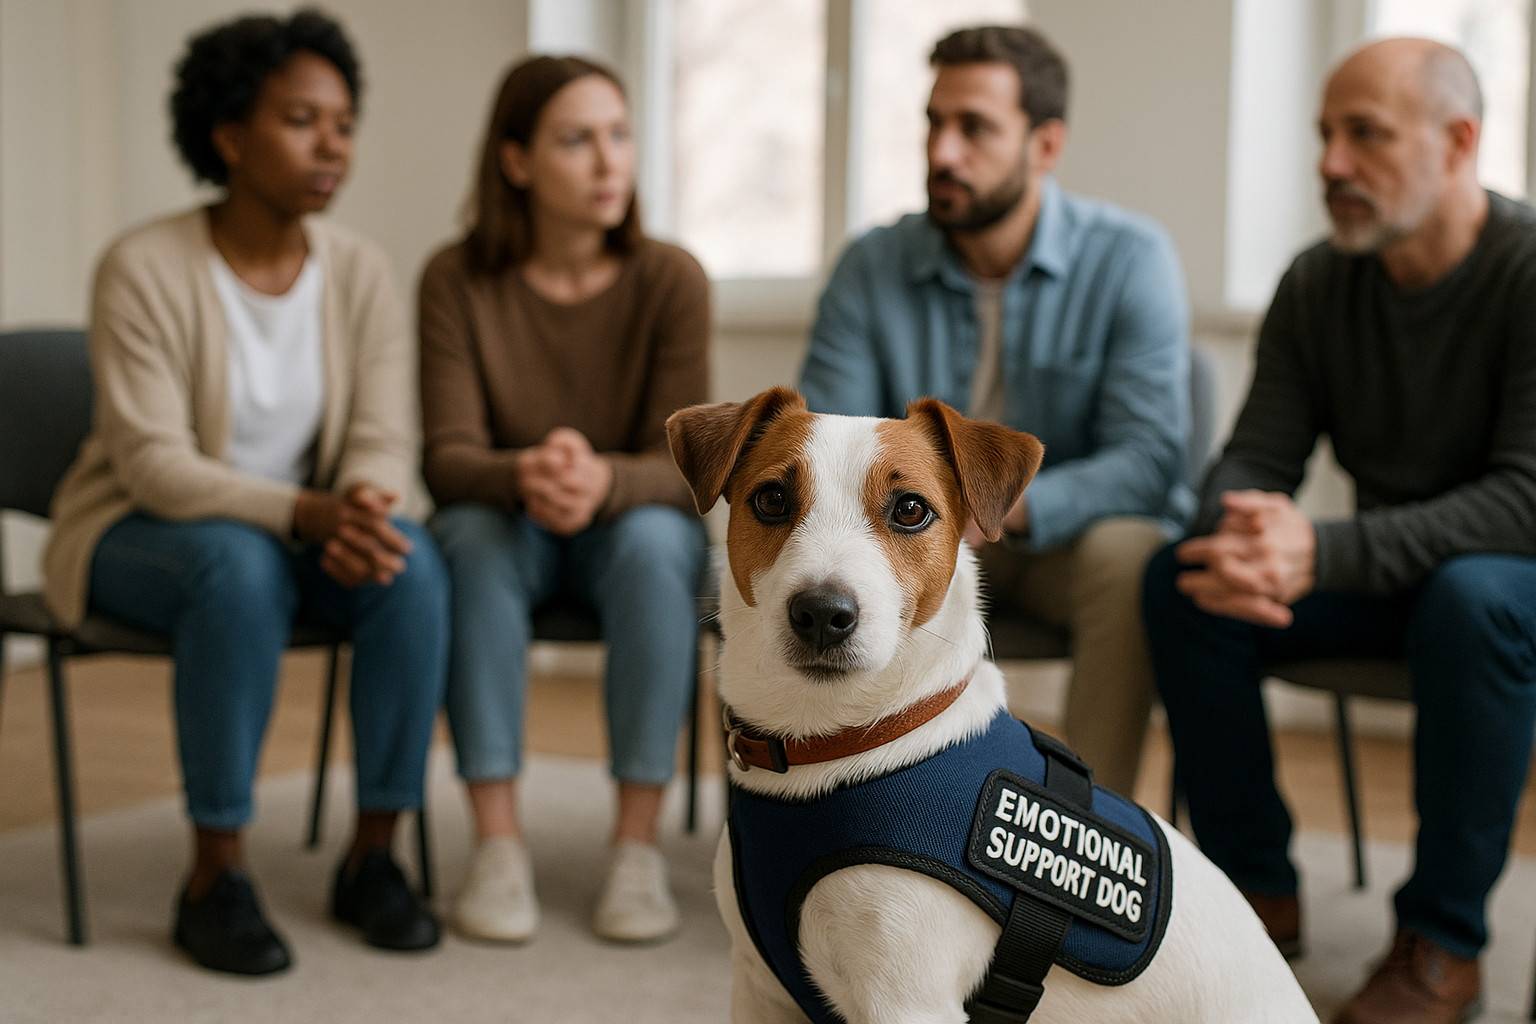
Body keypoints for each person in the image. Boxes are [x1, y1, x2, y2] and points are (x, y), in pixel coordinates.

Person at [41, 10, 447, 976]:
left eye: (343, 124)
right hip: (141, 533)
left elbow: (383, 437)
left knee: (414, 565)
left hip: (305, 534)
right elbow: (155, 464)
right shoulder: (143, 266)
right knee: (236, 567)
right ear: (228, 135)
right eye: (301, 121)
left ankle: (374, 857)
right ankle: (214, 875)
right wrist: (306, 514)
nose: (332, 145)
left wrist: (363, 510)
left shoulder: (359, 272)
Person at [1144, 38, 1536, 1024]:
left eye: (1366, 134)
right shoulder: (1320, 282)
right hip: (1394, 581)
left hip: (1506, 590)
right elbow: (1255, 454)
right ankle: (1251, 898)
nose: (1331, 163)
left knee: (1472, 597)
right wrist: (1237, 531)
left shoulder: (1526, 272)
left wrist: (1321, 550)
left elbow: (1525, 498)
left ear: (1459, 142)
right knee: (1181, 577)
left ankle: (1443, 943)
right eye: (1325, 135)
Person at [798, 25, 1192, 797]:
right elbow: (828, 437)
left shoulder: (1129, 259)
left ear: (1045, 145)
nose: (942, 152)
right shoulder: (871, 264)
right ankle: (857, 806)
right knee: (819, 550)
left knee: (1134, 556)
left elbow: (1149, 459)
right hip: (904, 532)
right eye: (934, 123)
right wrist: (921, 514)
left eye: (973, 127)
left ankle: (1089, 818)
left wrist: (1002, 503)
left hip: (1055, 544)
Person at [418, 54, 710, 946]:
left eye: (619, 135)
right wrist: (529, 474)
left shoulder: (672, 277)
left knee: (657, 542)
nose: (608, 161)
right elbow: (448, 459)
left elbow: (692, 466)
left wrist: (603, 480)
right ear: (516, 162)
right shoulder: (454, 279)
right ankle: (497, 844)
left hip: (629, 532)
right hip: (510, 526)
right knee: (466, 538)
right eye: (577, 140)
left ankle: (635, 849)